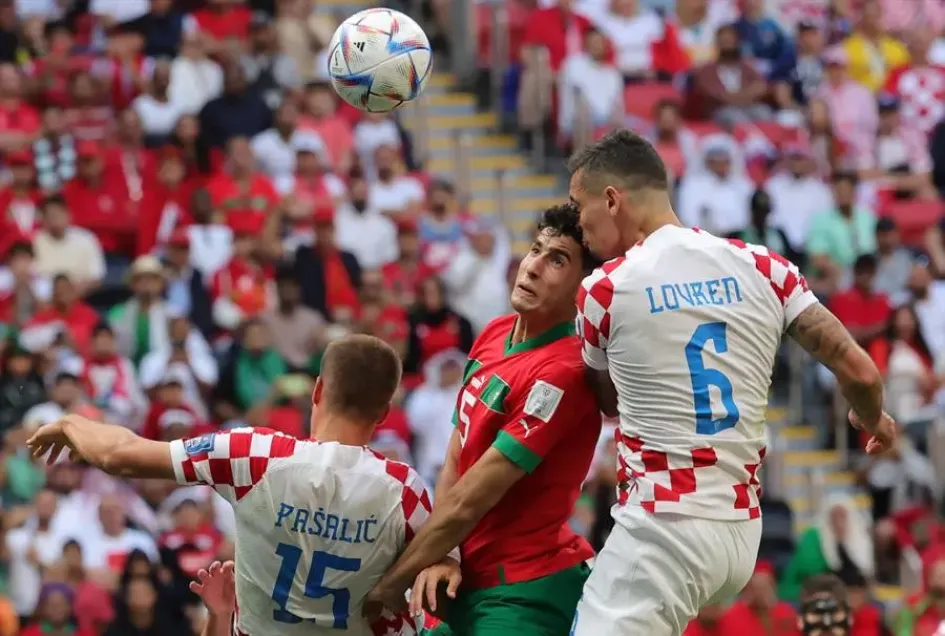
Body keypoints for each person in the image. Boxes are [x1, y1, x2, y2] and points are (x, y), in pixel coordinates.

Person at [565, 129, 897, 636]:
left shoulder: (605, 289)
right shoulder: (764, 266)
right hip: (741, 534)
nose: (576, 223)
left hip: (664, 525)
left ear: (612, 200)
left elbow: (606, 401)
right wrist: (873, 419)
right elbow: (860, 371)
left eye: (578, 205)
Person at [27, 335, 448, 636]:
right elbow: (444, 567)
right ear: (384, 413)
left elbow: (120, 454)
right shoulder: (405, 491)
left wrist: (70, 421)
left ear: (317, 390)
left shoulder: (254, 454)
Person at [366, 205, 604, 635]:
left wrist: (387, 588)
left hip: (525, 591)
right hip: (462, 579)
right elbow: (458, 453)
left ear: (582, 289)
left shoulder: (562, 372)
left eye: (557, 260)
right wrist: (446, 554)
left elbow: (472, 498)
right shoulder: (494, 332)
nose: (532, 267)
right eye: (536, 250)